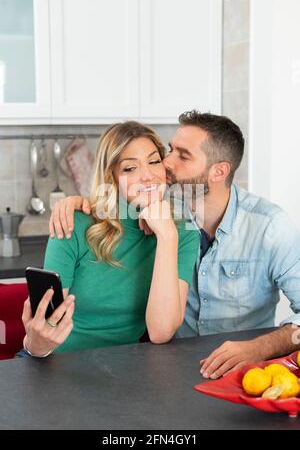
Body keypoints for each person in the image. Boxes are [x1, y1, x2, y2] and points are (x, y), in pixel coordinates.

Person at [50, 110, 300, 379]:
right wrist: (75, 203)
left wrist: (258, 348)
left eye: (182, 155)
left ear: (218, 171)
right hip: (173, 369)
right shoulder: (162, 206)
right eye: (168, 151)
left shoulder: (270, 227)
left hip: (244, 373)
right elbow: (116, 192)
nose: (166, 163)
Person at [21, 121, 198, 357]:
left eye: (154, 161)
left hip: (123, 367)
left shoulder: (181, 233)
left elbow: (160, 332)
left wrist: (166, 235)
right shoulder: (74, 224)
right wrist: (36, 344)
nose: (147, 176)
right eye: (129, 168)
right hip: (57, 363)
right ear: (111, 177)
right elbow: (43, 334)